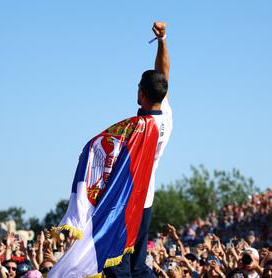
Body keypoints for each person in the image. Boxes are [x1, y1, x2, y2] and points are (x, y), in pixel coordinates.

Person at [103, 21, 172, 278]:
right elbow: (162, 71)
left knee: (116, 264)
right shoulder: (165, 115)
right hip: (147, 199)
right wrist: (163, 40)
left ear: (142, 95)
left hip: (128, 201)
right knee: (138, 265)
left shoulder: (137, 129)